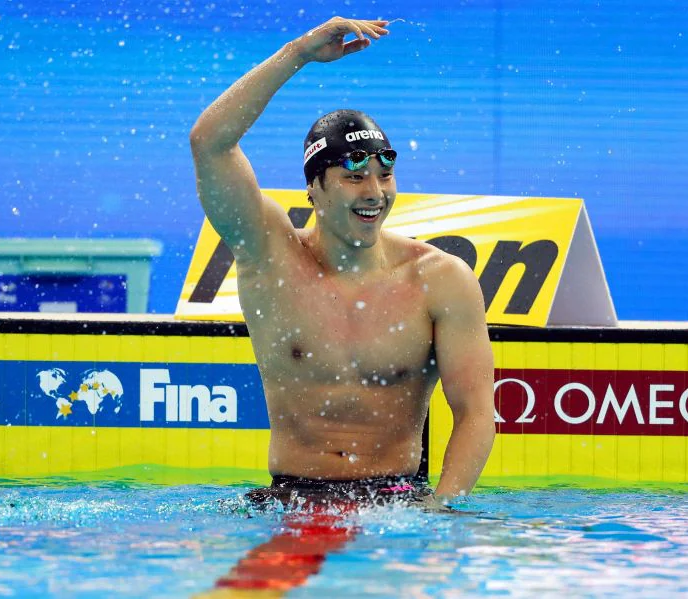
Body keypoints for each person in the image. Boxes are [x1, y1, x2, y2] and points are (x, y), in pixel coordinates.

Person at [189, 17, 495, 506]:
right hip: (290, 500)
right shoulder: (269, 258)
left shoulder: (439, 279)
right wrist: (297, 54)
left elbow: (476, 412)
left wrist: (440, 510)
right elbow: (210, 142)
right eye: (355, 177)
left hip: (397, 501)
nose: (375, 193)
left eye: (385, 174)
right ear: (314, 188)